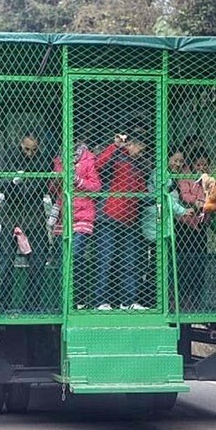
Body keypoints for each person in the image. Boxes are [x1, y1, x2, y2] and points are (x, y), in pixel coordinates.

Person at [0, 133, 50, 312]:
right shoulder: (7, 156)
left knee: (38, 260)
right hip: (11, 213)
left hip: (33, 214)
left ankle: (32, 304)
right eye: (27, 149)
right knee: (6, 260)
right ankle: (2, 303)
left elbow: (43, 184)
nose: (30, 154)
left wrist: (23, 185)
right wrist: (13, 182)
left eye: (34, 150)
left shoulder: (42, 159)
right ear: (20, 145)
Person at [94, 133, 148, 310]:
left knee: (130, 261)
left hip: (130, 219)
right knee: (106, 259)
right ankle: (100, 301)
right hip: (109, 216)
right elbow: (98, 165)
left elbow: (142, 190)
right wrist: (115, 146)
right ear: (131, 144)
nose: (142, 153)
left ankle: (128, 301)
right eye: (140, 149)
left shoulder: (139, 165)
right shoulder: (116, 156)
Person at [48, 142, 102, 309]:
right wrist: (55, 180)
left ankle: (79, 297)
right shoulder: (59, 161)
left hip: (83, 215)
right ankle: (63, 299)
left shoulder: (88, 160)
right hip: (64, 215)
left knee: (75, 254)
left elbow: (96, 187)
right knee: (61, 257)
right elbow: (52, 190)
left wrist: (77, 180)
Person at [140, 150, 194, 308]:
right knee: (155, 262)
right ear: (167, 158)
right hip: (155, 220)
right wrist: (183, 211)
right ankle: (152, 300)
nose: (178, 164)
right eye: (175, 160)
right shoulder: (161, 173)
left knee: (160, 262)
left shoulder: (170, 175)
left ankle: (158, 299)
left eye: (181, 161)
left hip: (162, 221)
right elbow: (165, 198)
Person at [175, 146, 211, 312]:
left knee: (200, 261)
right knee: (185, 261)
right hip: (185, 224)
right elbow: (185, 194)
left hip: (201, 223)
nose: (201, 168)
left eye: (205, 165)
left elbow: (212, 194)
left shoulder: (208, 180)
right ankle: (182, 298)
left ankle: (197, 298)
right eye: (198, 165)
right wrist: (197, 201)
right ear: (192, 164)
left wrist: (205, 202)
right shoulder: (186, 176)